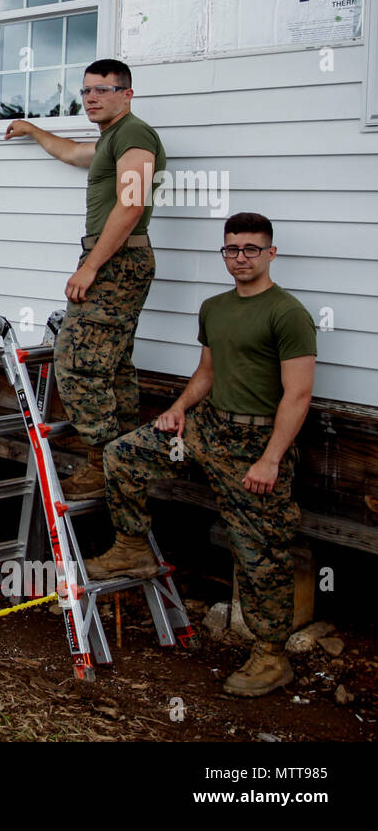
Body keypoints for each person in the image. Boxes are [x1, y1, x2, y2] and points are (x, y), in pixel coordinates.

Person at [87, 213, 316, 697]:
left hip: (256, 444)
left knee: (259, 551)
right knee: (123, 454)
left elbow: (298, 396)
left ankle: (271, 656)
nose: (241, 258)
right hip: (208, 426)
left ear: (271, 253)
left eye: (251, 249)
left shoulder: (288, 313)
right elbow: (206, 372)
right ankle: (133, 547)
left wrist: (271, 459)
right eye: (232, 249)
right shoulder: (214, 307)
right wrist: (178, 409)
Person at [4, 58, 166, 499]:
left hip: (116, 261)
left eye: (103, 89)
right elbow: (73, 153)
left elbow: (131, 204)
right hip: (116, 258)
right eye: (86, 91)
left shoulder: (134, 133)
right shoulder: (113, 138)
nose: (92, 98)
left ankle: (99, 460)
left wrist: (92, 265)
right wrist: (34, 130)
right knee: (113, 368)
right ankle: (124, 458)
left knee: (75, 362)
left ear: (127, 94)